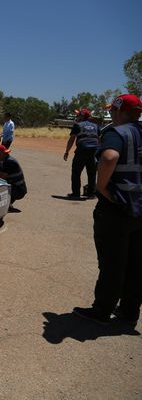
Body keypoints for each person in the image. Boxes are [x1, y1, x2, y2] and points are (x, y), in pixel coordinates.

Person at [73, 94, 142, 327]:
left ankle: (102, 310)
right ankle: (130, 312)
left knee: (112, 263)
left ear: (120, 112)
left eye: (113, 110)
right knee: (135, 263)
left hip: (117, 207)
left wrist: (101, 187)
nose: (111, 114)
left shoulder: (117, 132)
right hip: (139, 208)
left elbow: (110, 157)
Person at [63, 108, 99, 198]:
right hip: (94, 151)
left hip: (82, 150)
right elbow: (99, 139)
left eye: (78, 115)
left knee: (76, 172)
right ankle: (91, 193)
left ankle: (76, 193)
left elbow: (71, 140)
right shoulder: (96, 126)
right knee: (92, 172)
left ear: (82, 116)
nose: (76, 116)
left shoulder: (77, 125)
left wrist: (67, 152)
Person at [0, 144, 27, 211]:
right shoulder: (4, 161)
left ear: (2, 153)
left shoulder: (9, 162)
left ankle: (6, 205)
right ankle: (8, 204)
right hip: (16, 187)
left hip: (19, 190)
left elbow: (1, 178)